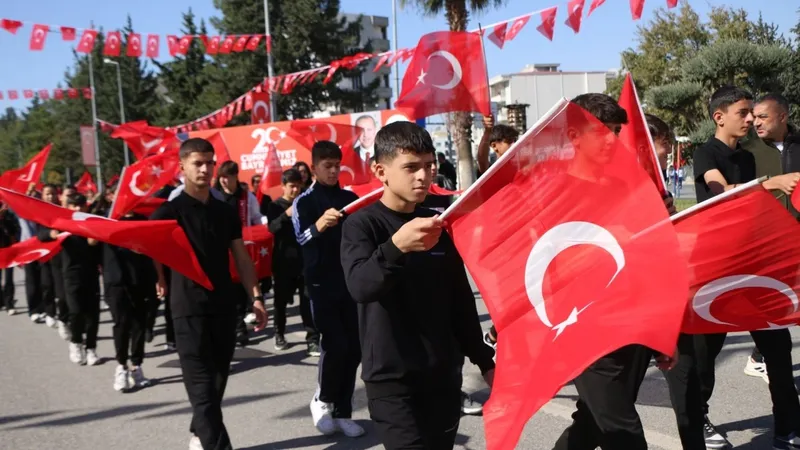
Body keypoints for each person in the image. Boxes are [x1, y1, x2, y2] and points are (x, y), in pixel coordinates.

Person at [340, 121, 495, 449]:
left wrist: (485, 362)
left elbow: (460, 302)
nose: (423, 176)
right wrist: (395, 247)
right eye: (411, 167)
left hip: (442, 378)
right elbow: (361, 287)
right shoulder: (361, 225)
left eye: (429, 166)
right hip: (391, 382)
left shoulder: (438, 223)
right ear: (380, 171)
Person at [552, 93, 678, 450]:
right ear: (575, 136)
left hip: (632, 325)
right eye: (600, 131)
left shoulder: (630, 186)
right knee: (625, 435)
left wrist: (659, 331)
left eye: (616, 131)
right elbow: (556, 266)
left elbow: (651, 258)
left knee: (592, 422)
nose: (611, 140)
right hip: (585, 329)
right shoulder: (554, 190)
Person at [692, 85, 800, 450]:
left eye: (753, 112)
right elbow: (719, 192)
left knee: (778, 349)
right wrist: (769, 184)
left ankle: (789, 428)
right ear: (719, 117)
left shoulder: (748, 158)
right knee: (704, 359)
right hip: (715, 273)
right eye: (744, 113)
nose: (751, 119)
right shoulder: (704, 153)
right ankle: (698, 421)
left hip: (751, 268)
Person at [151, 138, 267, 450]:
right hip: (187, 307)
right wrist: (160, 279)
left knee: (217, 381)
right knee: (201, 385)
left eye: (208, 163)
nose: (204, 169)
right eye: (197, 163)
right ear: (182, 168)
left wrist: (255, 296)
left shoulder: (225, 212)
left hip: (223, 305)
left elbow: (241, 256)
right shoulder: (168, 212)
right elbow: (152, 251)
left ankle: (198, 430)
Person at [292, 141, 364, 438]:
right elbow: (300, 238)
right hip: (320, 284)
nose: (334, 171)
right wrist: (319, 225)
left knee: (355, 348)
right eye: (327, 166)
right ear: (314, 168)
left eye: (337, 165)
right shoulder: (304, 201)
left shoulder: (349, 197)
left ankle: (343, 411)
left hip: (350, 281)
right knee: (335, 344)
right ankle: (322, 400)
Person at [644, 113, 707, 450]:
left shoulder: (659, 186)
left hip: (670, 299)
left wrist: (668, 215)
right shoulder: (611, 189)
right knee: (603, 414)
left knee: (687, 384)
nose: (666, 159)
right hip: (631, 309)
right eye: (662, 152)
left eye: (668, 154)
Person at [474, 121, 521, 352]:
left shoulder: (520, 170)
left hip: (522, 243)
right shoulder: (491, 173)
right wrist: (485, 132)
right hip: (499, 248)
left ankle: (499, 338)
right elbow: (480, 159)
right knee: (508, 302)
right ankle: (494, 338)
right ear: (495, 146)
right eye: (509, 142)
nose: (514, 146)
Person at [266, 168, 320, 355]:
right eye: (291, 187)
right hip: (283, 263)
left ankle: (312, 339)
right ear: (283, 187)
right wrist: (286, 215)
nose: (295, 190)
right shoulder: (275, 206)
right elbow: (271, 228)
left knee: (307, 301)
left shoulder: (304, 204)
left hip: (304, 262)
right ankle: (279, 334)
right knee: (280, 303)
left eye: (298, 186)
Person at [215, 161, 267, 347]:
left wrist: (265, 224)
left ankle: (240, 328)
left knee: (242, 289)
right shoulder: (214, 196)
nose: (223, 181)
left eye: (227, 177)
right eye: (221, 177)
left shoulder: (247, 197)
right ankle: (235, 327)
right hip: (220, 249)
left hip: (241, 248)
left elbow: (256, 217)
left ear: (235, 177)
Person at [102, 205, 153, 392]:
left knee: (139, 326)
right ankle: (121, 366)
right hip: (116, 283)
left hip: (140, 280)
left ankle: (136, 366)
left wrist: (157, 278)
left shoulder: (143, 221)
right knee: (121, 325)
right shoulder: (107, 219)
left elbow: (151, 249)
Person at [49, 193, 102, 366]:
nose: (78, 209)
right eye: (74, 206)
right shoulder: (62, 224)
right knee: (77, 312)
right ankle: (76, 343)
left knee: (93, 314)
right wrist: (52, 233)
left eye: (81, 205)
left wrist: (96, 241)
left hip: (91, 275)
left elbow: (102, 245)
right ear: (69, 208)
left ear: (86, 207)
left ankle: (91, 349)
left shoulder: (92, 223)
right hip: (71, 276)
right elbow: (42, 234)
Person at [36, 184, 70, 338]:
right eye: (47, 194)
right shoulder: (40, 212)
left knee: (63, 294)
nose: (50, 197)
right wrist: (50, 233)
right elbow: (40, 235)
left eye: (52, 193)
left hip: (63, 258)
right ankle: (50, 312)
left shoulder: (63, 210)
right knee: (47, 286)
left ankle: (64, 320)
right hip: (47, 257)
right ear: (42, 196)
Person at [0, 201, 19, 315]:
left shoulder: (7, 211)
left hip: (8, 249)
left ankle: (9, 303)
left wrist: (3, 219)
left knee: (8, 279)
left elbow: (15, 229)